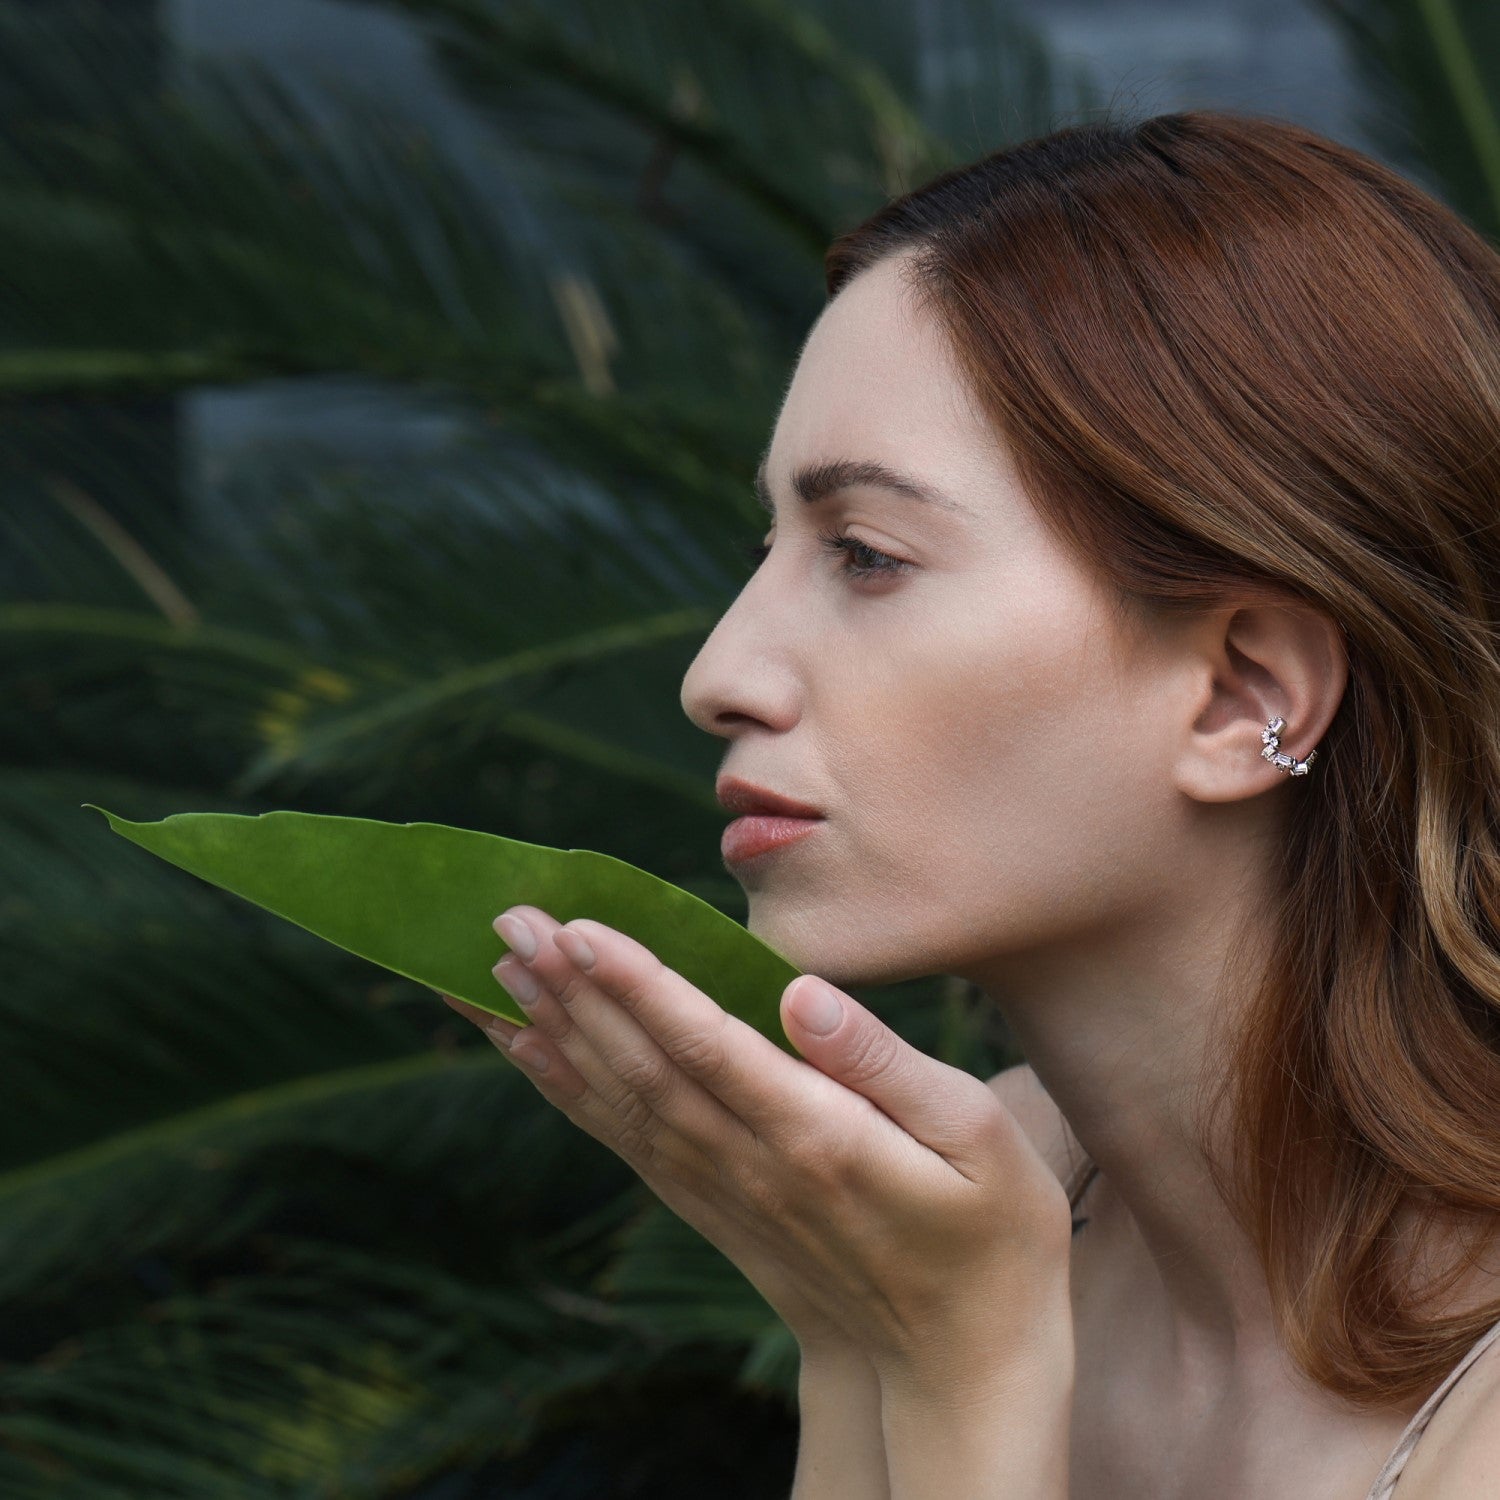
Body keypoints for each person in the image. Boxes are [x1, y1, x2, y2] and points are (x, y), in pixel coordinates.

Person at [444, 108, 1500, 1497]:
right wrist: (858, 1340)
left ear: (1246, 693)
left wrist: (960, 1367)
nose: (719, 674)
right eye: (769, 545)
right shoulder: (982, 1197)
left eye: (867, 554)